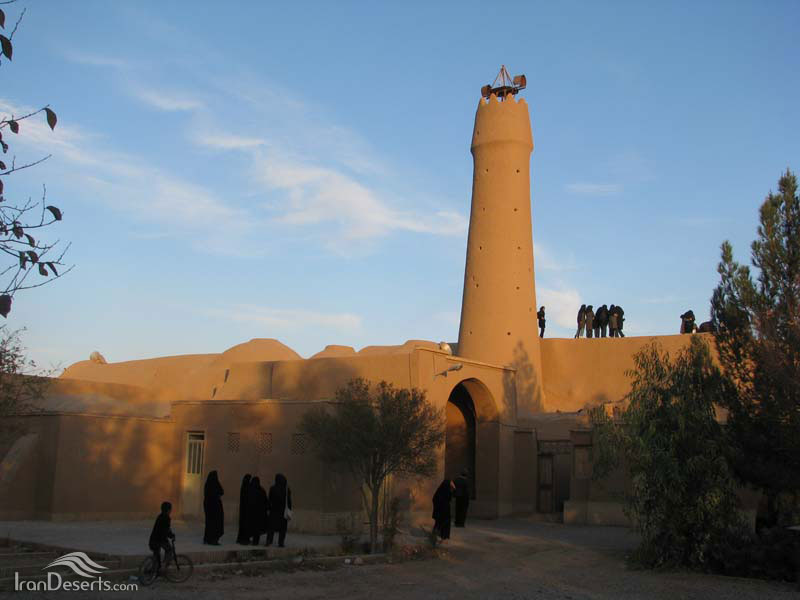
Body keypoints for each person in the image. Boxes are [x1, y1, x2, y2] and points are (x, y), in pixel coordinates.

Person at [148, 501, 175, 574]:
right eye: (170, 509)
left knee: (156, 555)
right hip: (159, 540)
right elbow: (166, 530)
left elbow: (165, 529)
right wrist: (172, 536)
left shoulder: (160, 516)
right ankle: (163, 567)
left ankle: (153, 570)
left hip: (153, 540)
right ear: (168, 510)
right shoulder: (167, 518)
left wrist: (169, 535)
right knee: (169, 550)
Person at [266, 473, 291, 547]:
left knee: (271, 527)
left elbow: (270, 499)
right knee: (282, 528)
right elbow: (289, 501)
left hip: (274, 511)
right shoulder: (286, 489)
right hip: (283, 512)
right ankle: (281, 542)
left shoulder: (273, 488)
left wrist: (268, 508)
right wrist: (289, 509)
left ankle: (269, 541)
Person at [203, 470, 224, 545]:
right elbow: (221, 492)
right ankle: (213, 540)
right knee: (215, 524)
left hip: (209, 507)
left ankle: (207, 539)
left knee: (209, 524)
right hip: (215, 508)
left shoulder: (207, 484)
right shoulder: (215, 484)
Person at [247, 476, 269, 545]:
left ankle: (251, 539)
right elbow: (265, 501)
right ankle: (255, 541)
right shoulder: (261, 490)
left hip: (252, 512)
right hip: (260, 513)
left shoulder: (250, 490)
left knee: (252, 526)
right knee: (257, 528)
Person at [236, 474, 252, 545]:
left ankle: (241, 538)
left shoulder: (244, 486)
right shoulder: (247, 487)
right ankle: (244, 539)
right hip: (246, 509)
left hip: (243, 509)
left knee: (243, 525)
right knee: (245, 525)